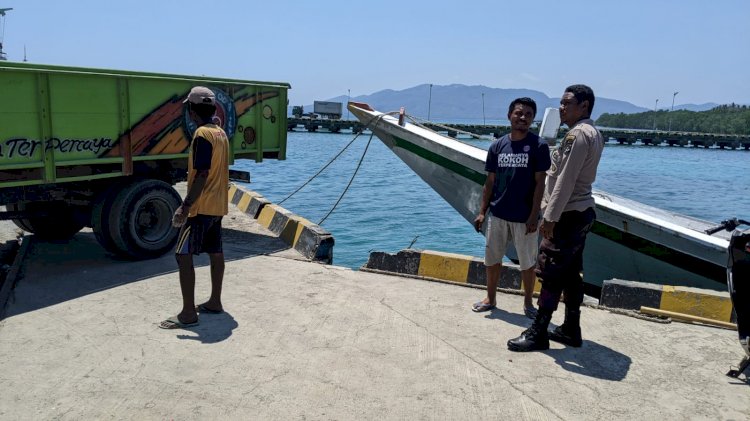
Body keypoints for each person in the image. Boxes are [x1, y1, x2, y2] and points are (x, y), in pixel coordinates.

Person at [507, 84, 604, 352]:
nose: (561, 108)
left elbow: (565, 180)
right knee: (572, 275)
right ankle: (572, 328)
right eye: (561, 103)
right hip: (580, 212)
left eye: (567, 103)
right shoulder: (593, 133)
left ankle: (539, 331)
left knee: (550, 273)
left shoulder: (577, 136)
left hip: (567, 214)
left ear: (584, 106)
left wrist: (549, 217)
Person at [472, 97, 550, 318]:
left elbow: (539, 184)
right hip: (498, 214)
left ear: (533, 120)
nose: (522, 117)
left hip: (524, 217)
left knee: (527, 263)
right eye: (518, 113)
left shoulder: (539, 146)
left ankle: (528, 303)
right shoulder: (497, 146)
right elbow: (490, 182)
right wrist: (481, 212)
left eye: (528, 114)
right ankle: (490, 298)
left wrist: (534, 215)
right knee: (492, 259)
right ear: (509, 116)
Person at [159, 86, 229, 329]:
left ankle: (188, 313)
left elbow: (201, 173)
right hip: (218, 206)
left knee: (182, 254)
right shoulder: (220, 132)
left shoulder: (201, 135)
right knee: (215, 251)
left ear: (191, 110)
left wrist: (185, 206)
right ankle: (215, 301)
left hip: (201, 207)